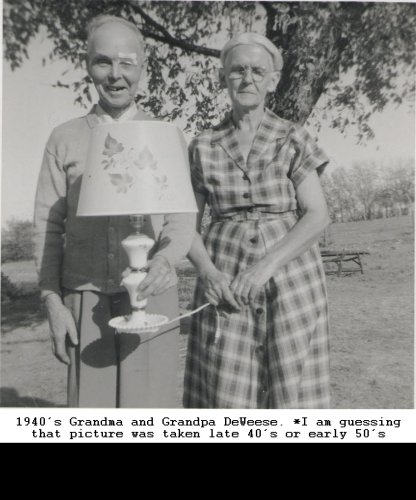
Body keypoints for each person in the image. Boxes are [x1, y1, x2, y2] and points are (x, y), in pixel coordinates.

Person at [34, 15, 195, 408]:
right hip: (84, 297)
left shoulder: (165, 135)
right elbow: (48, 226)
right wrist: (52, 301)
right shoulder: (64, 139)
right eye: (103, 61)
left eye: (126, 62)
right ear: (88, 66)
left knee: (148, 414)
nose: (115, 74)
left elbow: (182, 217)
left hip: (153, 297)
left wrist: (165, 262)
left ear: (143, 67)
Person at [184, 32, 331, 409]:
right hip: (226, 282)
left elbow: (317, 215)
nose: (247, 78)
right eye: (237, 70)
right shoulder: (202, 145)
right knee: (227, 386)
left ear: (273, 81)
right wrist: (209, 274)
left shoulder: (292, 137)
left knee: (291, 387)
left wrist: (265, 266)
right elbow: (186, 225)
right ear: (223, 78)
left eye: (257, 71)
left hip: (290, 279)